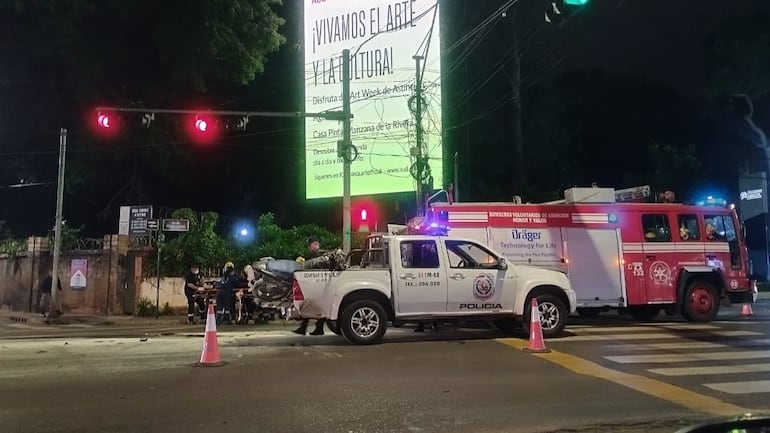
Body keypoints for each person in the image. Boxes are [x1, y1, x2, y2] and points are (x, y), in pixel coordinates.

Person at [293, 236, 328, 336]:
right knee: (313, 305)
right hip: (319, 283)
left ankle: (308, 328)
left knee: (312, 305)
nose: (309, 247)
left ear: (315, 244)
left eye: (310, 245)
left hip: (320, 283)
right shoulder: (317, 255)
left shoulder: (319, 255)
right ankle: (312, 328)